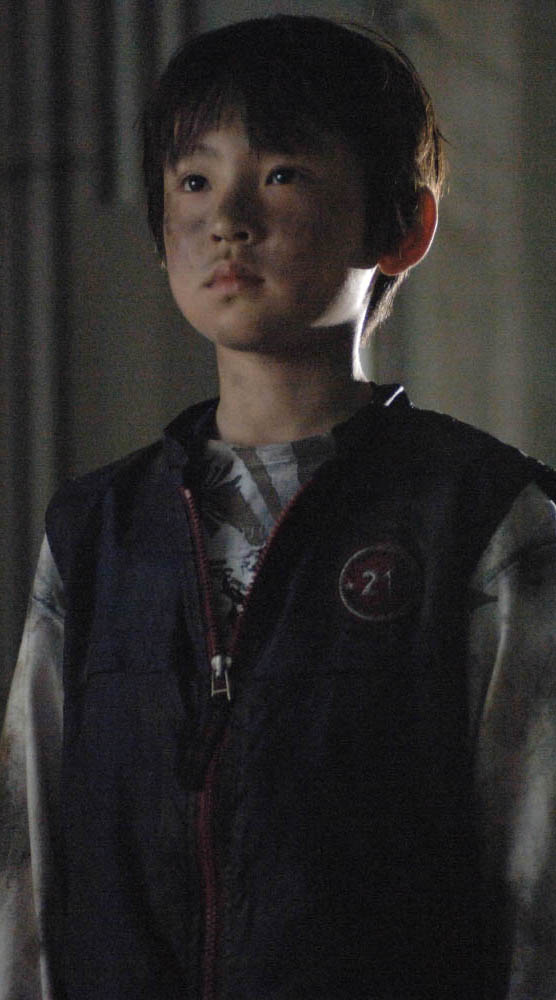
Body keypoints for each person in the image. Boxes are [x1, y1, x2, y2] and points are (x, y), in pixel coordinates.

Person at [1, 14, 555, 999]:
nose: (228, 219)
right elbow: (30, 873)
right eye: (193, 181)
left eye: (283, 173)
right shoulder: (96, 535)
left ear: (403, 225)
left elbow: (536, 874)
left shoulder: (481, 519)